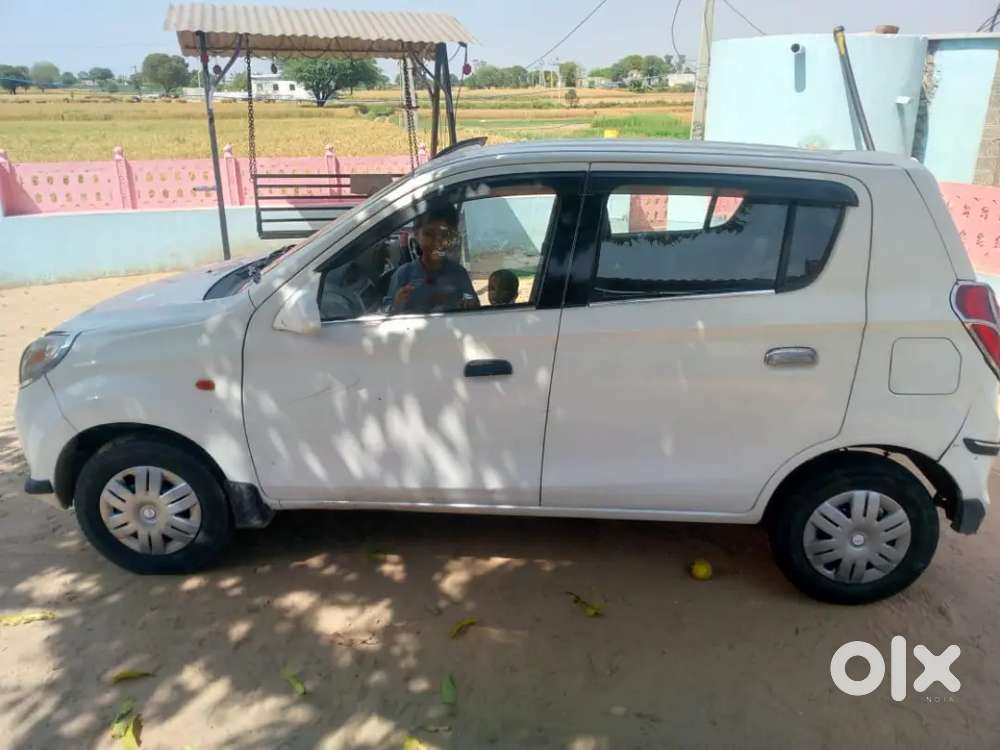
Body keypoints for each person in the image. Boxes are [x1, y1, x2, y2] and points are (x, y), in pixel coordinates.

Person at [385, 206, 479, 314]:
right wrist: (397, 305)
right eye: (429, 234)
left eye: (445, 235)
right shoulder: (403, 275)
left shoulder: (459, 273)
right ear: (416, 234)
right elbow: (385, 313)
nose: (437, 242)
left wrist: (469, 302)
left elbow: (473, 303)